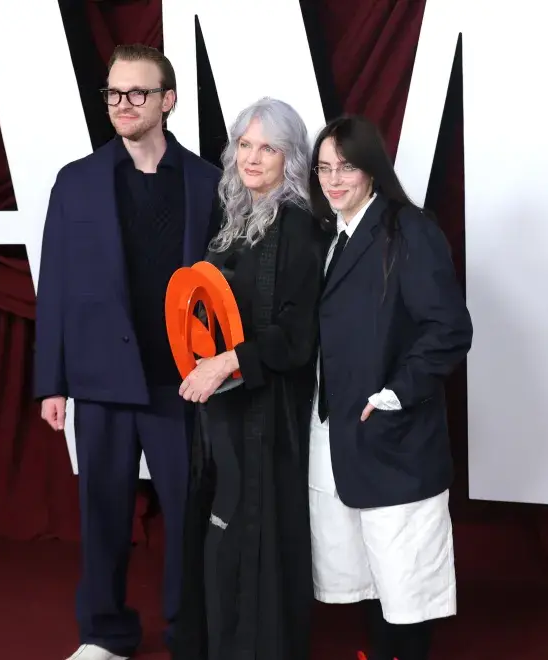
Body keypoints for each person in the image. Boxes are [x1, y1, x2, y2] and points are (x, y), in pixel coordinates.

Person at [33, 44, 221, 660]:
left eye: (137, 93)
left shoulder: (207, 182)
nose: (122, 104)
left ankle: (187, 636)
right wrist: (50, 382)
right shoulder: (77, 182)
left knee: (189, 519)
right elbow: (55, 284)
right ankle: (105, 634)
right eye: (114, 93)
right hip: (102, 380)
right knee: (103, 516)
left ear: (168, 101)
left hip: (182, 382)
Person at [308, 115, 473, 660]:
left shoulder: (409, 230)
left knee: (406, 587)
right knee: (370, 576)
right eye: (325, 168)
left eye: (346, 167)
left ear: (372, 170)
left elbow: (449, 329)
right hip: (346, 443)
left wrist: (393, 395)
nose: (334, 180)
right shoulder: (334, 237)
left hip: (395, 438)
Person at [171, 97, 327, 660]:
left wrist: (226, 362)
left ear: (292, 158)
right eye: (245, 144)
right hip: (221, 411)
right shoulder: (230, 220)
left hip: (269, 413)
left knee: (251, 539)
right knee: (219, 538)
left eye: (268, 148)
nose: (253, 158)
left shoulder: (301, 227)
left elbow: (296, 337)